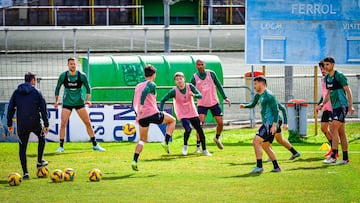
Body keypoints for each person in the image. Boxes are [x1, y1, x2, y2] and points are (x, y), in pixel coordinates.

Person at [54, 57, 105, 153]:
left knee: (88, 123)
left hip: (79, 103)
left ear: (76, 65)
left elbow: (88, 88)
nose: (72, 66)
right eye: (71, 64)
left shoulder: (81, 76)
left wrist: (88, 100)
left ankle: (95, 145)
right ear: (68, 65)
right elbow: (57, 88)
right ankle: (61, 146)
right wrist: (56, 101)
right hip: (67, 103)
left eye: (74, 64)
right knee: (63, 123)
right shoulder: (63, 76)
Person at [131, 64, 176, 171]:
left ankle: (134, 160)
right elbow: (145, 92)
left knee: (142, 140)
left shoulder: (138, 86)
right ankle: (165, 141)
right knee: (172, 120)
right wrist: (142, 105)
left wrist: (137, 112)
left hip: (141, 117)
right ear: (154, 74)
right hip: (152, 113)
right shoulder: (151, 84)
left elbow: (133, 101)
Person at [7, 72, 49, 179]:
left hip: (22, 124)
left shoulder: (16, 92)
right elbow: (43, 109)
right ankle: (39, 161)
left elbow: (10, 108)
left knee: (22, 149)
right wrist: (46, 124)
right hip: (35, 122)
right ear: (33, 80)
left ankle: (25, 173)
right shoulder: (37, 92)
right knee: (42, 138)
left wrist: (9, 124)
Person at [160, 72, 212, 156]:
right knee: (188, 129)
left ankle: (204, 150)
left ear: (184, 79)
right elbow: (162, 100)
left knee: (200, 130)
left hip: (192, 112)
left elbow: (200, 95)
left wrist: (194, 95)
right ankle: (185, 145)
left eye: (180, 78)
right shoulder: (174, 91)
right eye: (177, 79)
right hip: (182, 113)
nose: (179, 81)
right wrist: (161, 111)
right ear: (175, 82)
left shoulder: (190, 86)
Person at [240, 76, 281, 173]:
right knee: (266, 146)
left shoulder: (269, 95)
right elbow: (253, 105)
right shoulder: (258, 95)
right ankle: (276, 167)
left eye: (255, 84)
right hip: (267, 123)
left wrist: (274, 125)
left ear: (262, 84)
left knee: (256, 141)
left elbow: (276, 110)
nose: (254, 86)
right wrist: (244, 106)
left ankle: (259, 167)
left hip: (270, 123)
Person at [320, 56, 355, 164]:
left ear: (333, 65)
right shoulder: (327, 78)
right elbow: (329, 94)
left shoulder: (339, 76)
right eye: (324, 65)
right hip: (335, 107)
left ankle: (333, 156)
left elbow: (348, 91)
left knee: (333, 127)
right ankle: (345, 159)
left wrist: (351, 105)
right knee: (341, 133)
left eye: (327, 64)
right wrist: (322, 104)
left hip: (342, 106)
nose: (325, 67)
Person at [190, 59, 231, 151]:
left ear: (204, 65)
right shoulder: (194, 78)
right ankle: (198, 146)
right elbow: (190, 89)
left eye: (202, 64)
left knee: (220, 123)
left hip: (213, 103)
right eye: (198, 65)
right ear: (196, 66)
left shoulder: (211, 74)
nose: (200, 66)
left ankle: (216, 138)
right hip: (202, 104)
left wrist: (225, 97)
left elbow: (219, 85)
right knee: (200, 124)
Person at [315, 60, 334, 158]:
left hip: (333, 107)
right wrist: (319, 104)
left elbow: (330, 94)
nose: (322, 70)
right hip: (326, 107)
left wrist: (321, 104)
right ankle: (333, 148)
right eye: (321, 69)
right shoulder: (323, 79)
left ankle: (335, 152)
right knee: (323, 128)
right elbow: (324, 95)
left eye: (324, 68)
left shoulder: (331, 79)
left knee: (333, 129)